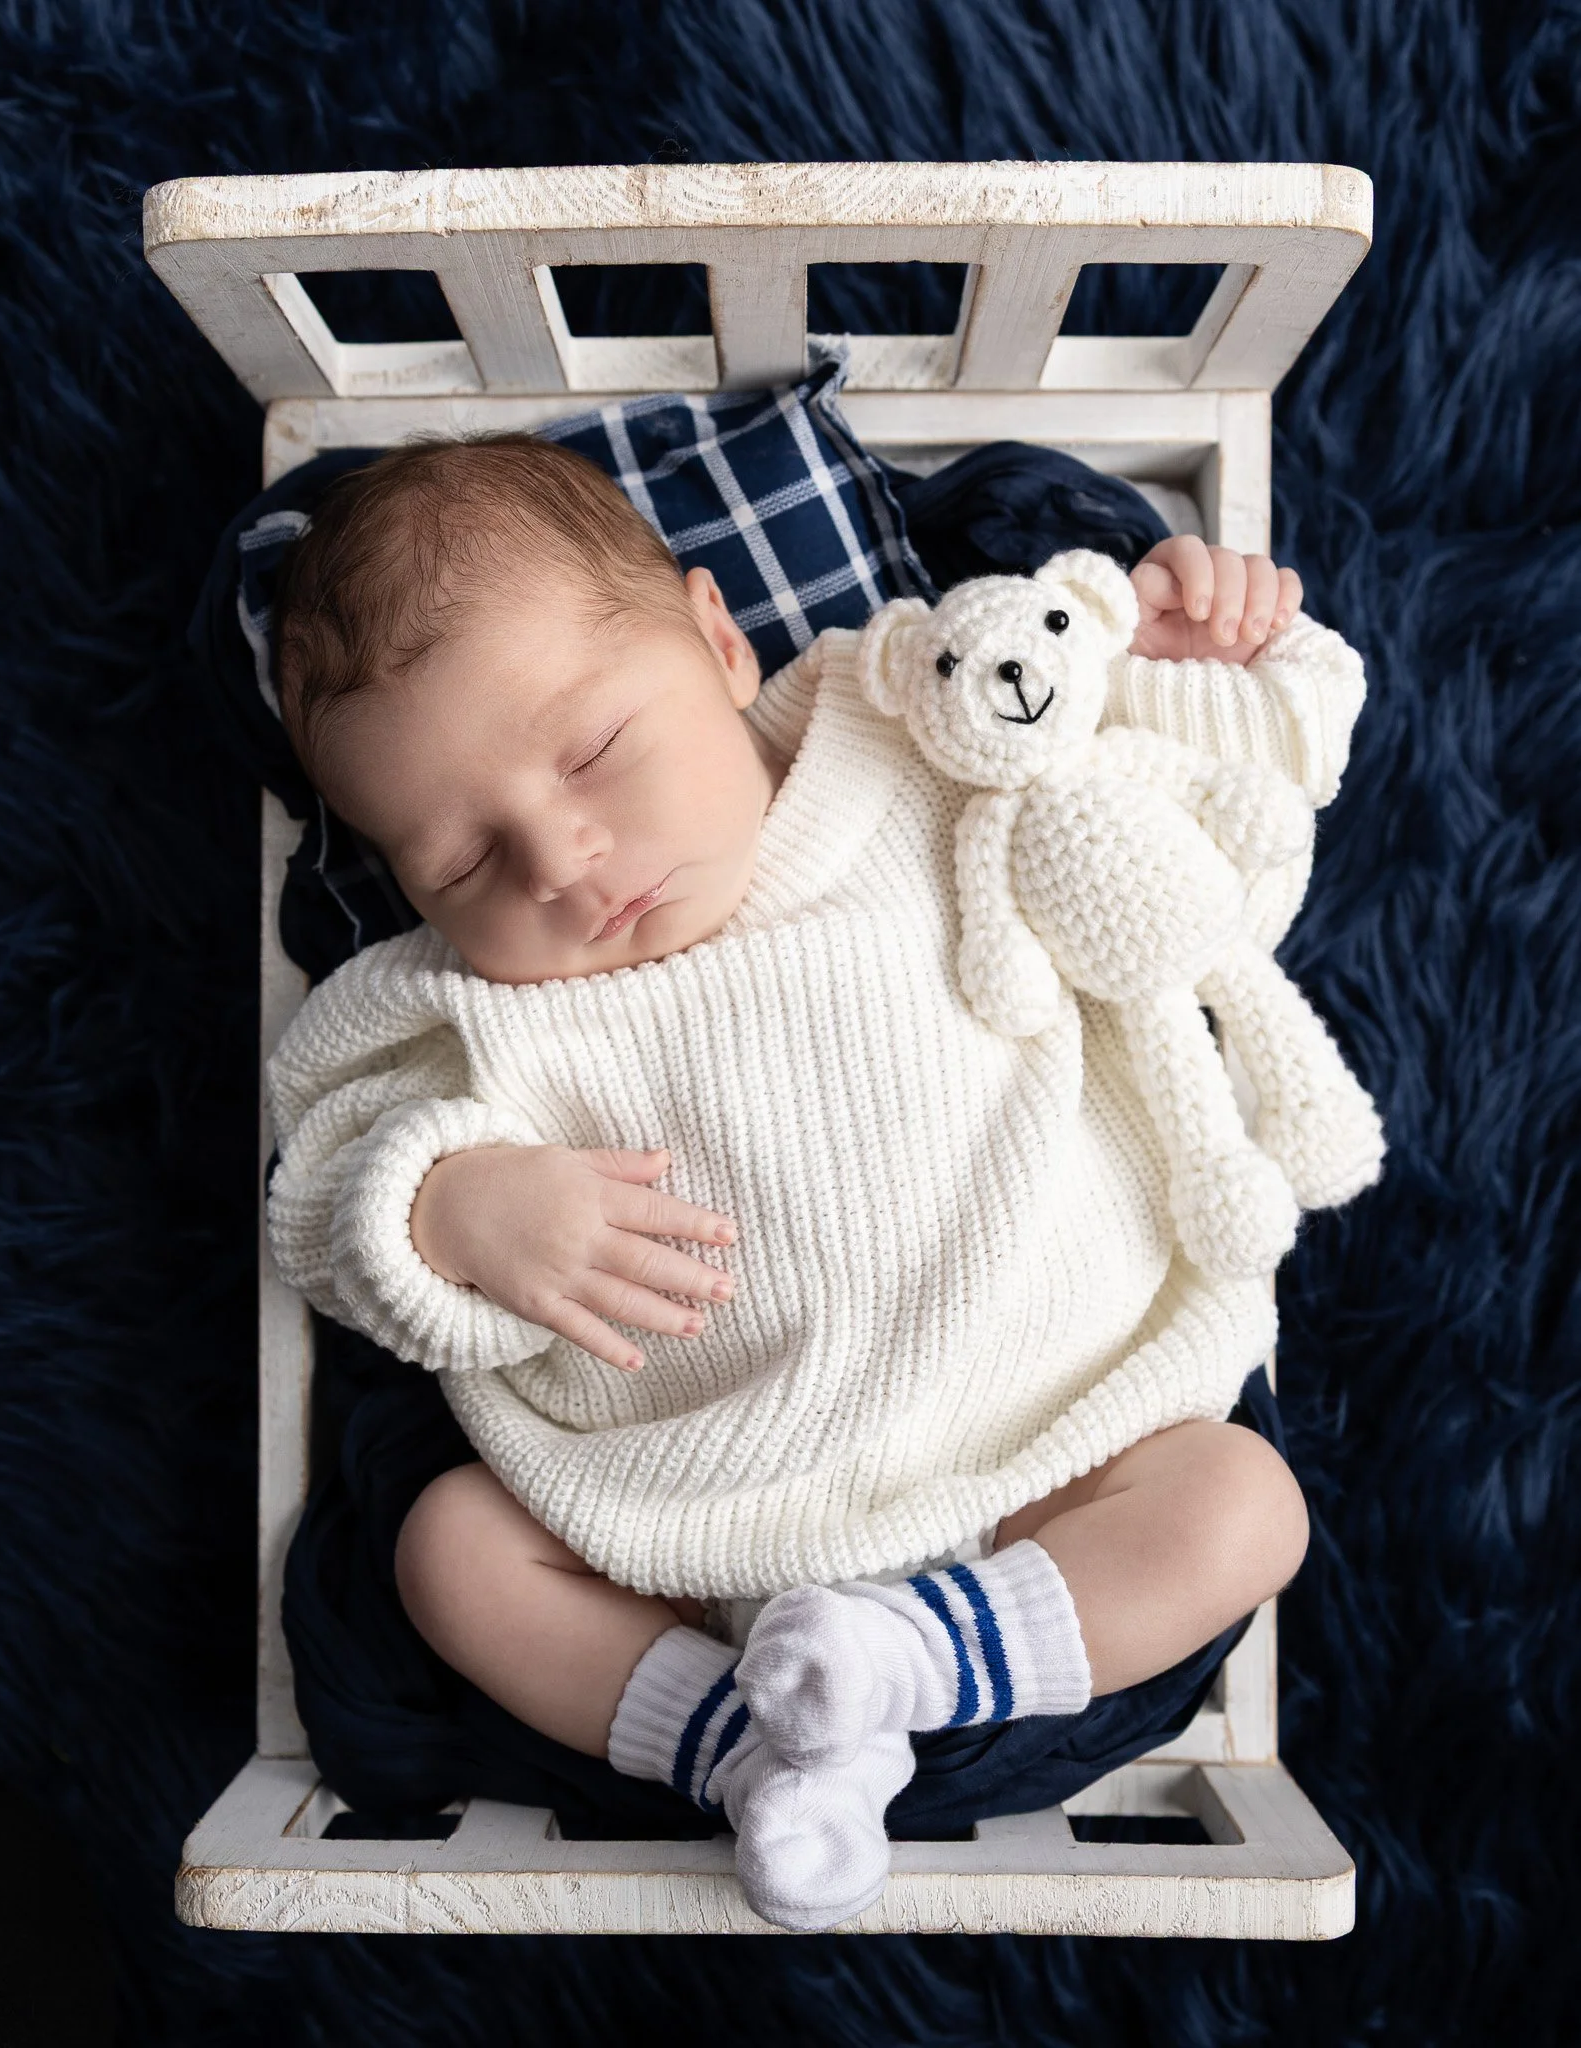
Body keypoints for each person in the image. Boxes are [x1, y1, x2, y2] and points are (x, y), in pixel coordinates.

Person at [263, 433, 1371, 1930]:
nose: (563, 864)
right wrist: (452, 1211)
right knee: (450, 1557)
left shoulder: (900, 728)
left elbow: (1142, 760)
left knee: (1242, 1507)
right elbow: (319, 1186)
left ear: (719, 641)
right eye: (459, 860)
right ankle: (742, 1741)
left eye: (594, 752)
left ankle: (905, 1665)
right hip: (697, 1529)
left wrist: (1184, 650)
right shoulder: (471, 1007)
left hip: (1054, 1436)